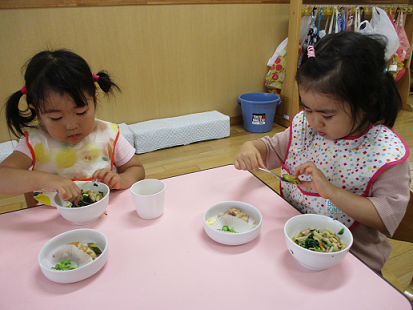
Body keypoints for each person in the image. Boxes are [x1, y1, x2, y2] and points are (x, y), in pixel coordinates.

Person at [234, 32, 411, 273]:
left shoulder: (383, 152)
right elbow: (272, 149)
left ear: (367, 101)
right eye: (307, 109)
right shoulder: (306, 128)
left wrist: (331, 192)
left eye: (327, 115)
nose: (315, 122)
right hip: (293, 242)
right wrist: (251, 147)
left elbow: (386, 216)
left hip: (354, 261)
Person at [0, 49, 145, 204]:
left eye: (81, 112)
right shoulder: (35, 142)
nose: (71, 125)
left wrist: (121, 180)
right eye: (56, 117)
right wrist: (46, 180)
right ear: (39, 113)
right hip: (50, 221)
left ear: (94, 101)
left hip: (103, 214)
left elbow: (137, 170)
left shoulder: (107, 134)